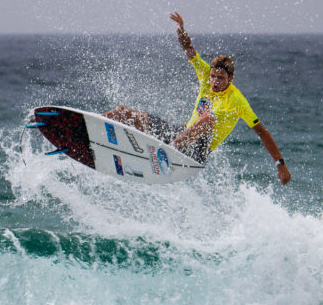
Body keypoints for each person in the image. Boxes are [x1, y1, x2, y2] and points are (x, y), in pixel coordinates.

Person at [102, 12, 291, 185]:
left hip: (196, 152)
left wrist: (280, 163)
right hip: (182, 134)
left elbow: (262, 132)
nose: (215, 82)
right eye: (213, 77)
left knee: (208, 119)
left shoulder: (237, 101)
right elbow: (188, 48)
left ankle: (168, 151)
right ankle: (86, 127)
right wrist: (181, 30)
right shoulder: (204, 75)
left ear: (230, 79)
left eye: (221, 78)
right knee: (123, 113)